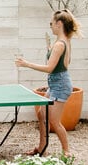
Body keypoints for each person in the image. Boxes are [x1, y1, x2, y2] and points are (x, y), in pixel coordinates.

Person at [14, 9, 81, 157]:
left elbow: (50, 68)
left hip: (60, 85)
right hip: (57, 83)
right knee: (41, 114)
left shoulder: (60, 45)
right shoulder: (64, 42)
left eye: (51, 23)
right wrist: (51, 52)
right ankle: (42, 147)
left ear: (59, 23)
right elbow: (65, 63)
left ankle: (67, 152)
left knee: (54, 121)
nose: (50, 26)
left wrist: (26, 64)